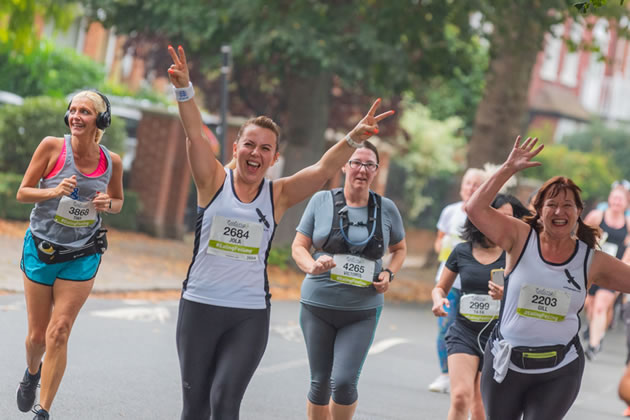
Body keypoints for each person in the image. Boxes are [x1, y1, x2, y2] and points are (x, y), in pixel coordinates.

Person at [166, 45, 395, 420]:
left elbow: (323, 170)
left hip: (249, 314)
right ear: (236, 148)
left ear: (274, 158)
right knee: (194, 408)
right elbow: (194, 134)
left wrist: (353, 138)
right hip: (200, 307)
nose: (256, 153)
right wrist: (185, 89)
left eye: (266, 149)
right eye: (250, 145)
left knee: (224, 402)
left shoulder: (278, 194)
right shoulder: (211, 182)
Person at [466, 136, 630, 420]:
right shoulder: (519, 237)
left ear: (579, 213)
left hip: (559, 369)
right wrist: (507, 168)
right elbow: (475, 209)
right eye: (551, 204)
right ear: (539, 212)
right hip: (506, 362)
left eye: (568, 205)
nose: (559, 211)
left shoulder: (591, 259)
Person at [15, 90, 124, 420]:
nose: (76, 116)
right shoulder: (52, 147)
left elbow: (117, 202)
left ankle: (43, 410)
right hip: (42, 249)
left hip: (82, 253)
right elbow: (23, 192)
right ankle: (33, 372)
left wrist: (109, 204)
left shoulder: (111, 161)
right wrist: (53, 190)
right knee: (37, 337)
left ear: (100, 121)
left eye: (85, 112)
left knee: (59, 331)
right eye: (73, 110)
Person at [291, 141, 407, 420]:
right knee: (319, 384)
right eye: (356, 162)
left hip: (361, 312)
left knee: (342, 384)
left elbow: (399, 249)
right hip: (317, 305)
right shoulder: (321, 201)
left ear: (376, 170)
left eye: (369, 164)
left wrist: (388, 274)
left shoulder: (387, 208)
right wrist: (312, 265)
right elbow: (299, 246)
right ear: (344, 165)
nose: (362, 169)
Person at [432, 194, 530, 420]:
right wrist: (439, 300)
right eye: (498, 216)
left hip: (499, 339)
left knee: (482, 409)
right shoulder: (462, 251)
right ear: (483, 216)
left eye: (509, 217)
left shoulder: (517, 255)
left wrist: (508, 296)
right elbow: (440, 288)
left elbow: (529, 299)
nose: (503, 222)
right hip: (464, 333)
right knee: (460, 397)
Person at [429, 168, 486, 393]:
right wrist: (445, 249)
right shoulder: (450, 212)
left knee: (473, 332)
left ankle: (471, 378)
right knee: (445, 328)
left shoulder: (486, 215)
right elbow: (438, 241)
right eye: (467, 183)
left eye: (476, 184)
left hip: (475, 285)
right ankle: (445, 374)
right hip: (449, 281)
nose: (470, 188)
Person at [583, 186, 630, 359]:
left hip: (613, 272)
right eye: (615, 198)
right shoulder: (597, 216)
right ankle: (595, 330)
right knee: (590, 304)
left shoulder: (627, 223)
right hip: (593, 268)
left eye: (621, 199)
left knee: (601, 306)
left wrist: (625, 263)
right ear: (610, 199)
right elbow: (581, 236)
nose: (617, 202)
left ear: (626, 203)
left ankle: (594, 345)